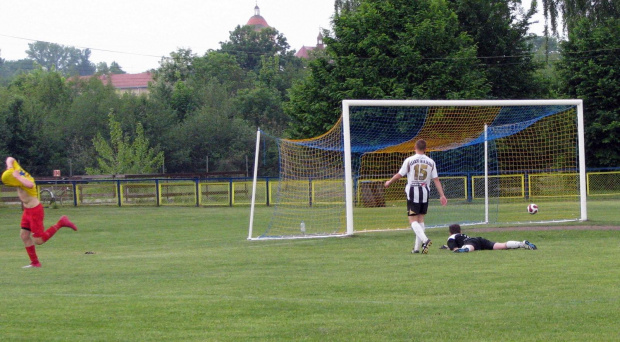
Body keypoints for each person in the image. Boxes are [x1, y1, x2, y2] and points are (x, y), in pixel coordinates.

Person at [2, 157, 77, 268]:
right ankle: (35, 263)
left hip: (35, 211)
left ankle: (61, 222)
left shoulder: (26, 179)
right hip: (27, 210)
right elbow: (10, 158)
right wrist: (10, 167)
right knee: (24, 235)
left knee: (39, 240)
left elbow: (30, 185)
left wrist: (17, 177)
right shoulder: (17, 169)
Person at [384, 139, 447, 254]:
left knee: (412, 220)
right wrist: (442, 195)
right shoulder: (431, 162)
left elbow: (399, 175)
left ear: (415, 147)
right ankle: (417, 248)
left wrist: (389, 181)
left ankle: (425, 240)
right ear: (426, 149)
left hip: (413, 192)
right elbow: (436, 179)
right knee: (420, 219)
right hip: (425, 192)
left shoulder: (409, 160)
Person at [446, 224, 537, 253]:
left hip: (470, 243)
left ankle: (465, 249)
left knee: (468, 247)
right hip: (480, 240)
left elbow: (454, 248)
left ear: (450, 232)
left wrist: (455, 249)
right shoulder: (462, 235)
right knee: (502, 245)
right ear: (460, 231)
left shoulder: (451, 237)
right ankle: (521, 244)